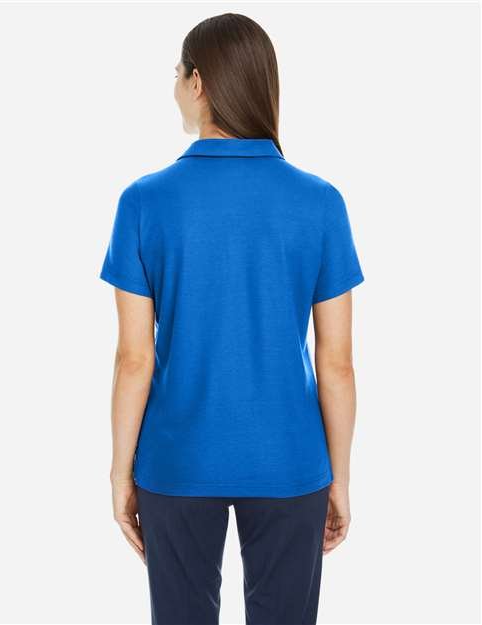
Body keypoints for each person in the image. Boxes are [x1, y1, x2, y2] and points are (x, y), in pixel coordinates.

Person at [99, 12, 365, 625]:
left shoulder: (143, 201)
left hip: (176, 461)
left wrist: (120, 473)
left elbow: (135, 358)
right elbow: (338, 364)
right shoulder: (321, 201)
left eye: (176, 74)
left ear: (197, 82)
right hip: (291, 461)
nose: (175, 87)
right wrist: (340, 478)